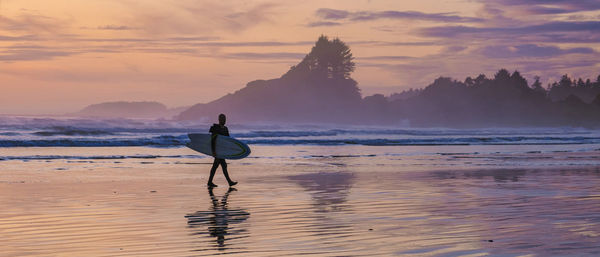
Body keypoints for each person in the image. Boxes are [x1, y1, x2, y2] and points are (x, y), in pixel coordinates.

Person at [207, 113, 237, 187]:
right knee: (222, 166)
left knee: (217, 166)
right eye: (222, 119)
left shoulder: (225, 129)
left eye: (225, 119)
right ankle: (229, 182)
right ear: (219, 120)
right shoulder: (216, 128)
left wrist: (229, 149)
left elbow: (228, 140)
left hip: (222, 151)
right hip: (217, 150)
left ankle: (210, 182)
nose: (224, 120)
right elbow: (212, 140)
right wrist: (213, 151)